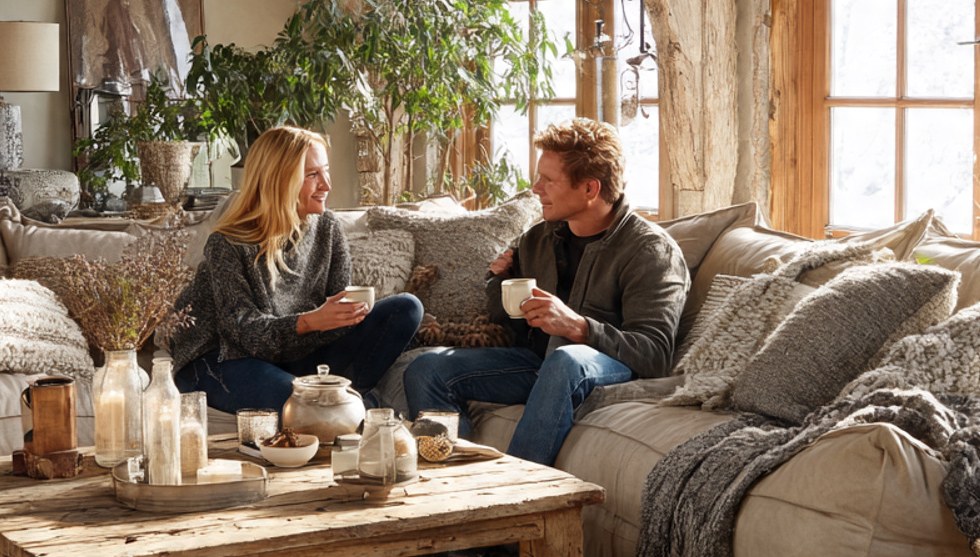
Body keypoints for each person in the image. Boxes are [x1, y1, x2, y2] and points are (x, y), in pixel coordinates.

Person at [403, 118, 689, 466]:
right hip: (539, 365)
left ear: (590, 189)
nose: (536, 188)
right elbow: (512, 324)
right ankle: (454, 481)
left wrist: (579, 328)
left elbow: (655, 354)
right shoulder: (538, 238)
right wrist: (499, 280)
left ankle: (519, 495)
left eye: (548, 180)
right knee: (426, 368)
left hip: (603, 371)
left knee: (567, 360)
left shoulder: (651, 252)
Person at [171, 125, 423, 414]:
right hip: (223, 358)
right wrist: (311, 321)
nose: (326, 184)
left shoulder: (328, 229)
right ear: (279, 181)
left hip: (293, 352)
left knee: (406, 308)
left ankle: (353, 400)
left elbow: (334, 322)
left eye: (325, 171)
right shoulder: (227, 244)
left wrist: (344, 316)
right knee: (300, 403)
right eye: (312, 175)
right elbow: (243, 331)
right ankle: (342, 407)